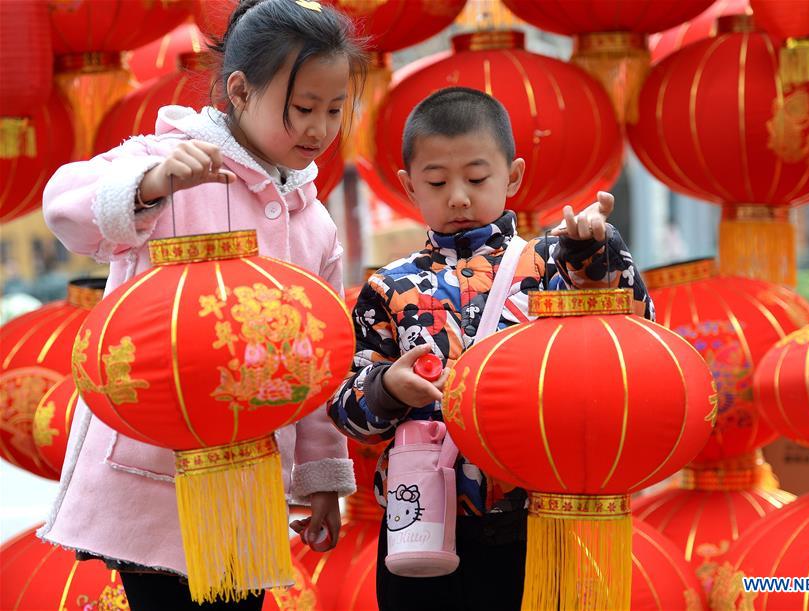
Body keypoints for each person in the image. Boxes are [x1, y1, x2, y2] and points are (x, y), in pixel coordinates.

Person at [39, 1, 366, 609]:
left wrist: (323, 480)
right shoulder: (169, 160)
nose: (320, 129)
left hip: (253, 472)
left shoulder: (314, 221)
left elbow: (323, 358)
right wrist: (151, 183)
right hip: (152, 464)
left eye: (333, 109)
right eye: (302, 109)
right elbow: (64, 206)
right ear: (239, 91)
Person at [327, 87, 655, 611]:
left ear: (514, 176)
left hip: (539, 515)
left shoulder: (553, 264)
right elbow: (345, 411)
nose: (458, 196)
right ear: (411, 187)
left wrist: (597, 254)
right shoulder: (388, 287)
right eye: (437, 182)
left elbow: (637, 333)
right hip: (422, 524)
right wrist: (386, 389)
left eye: (476, 179)